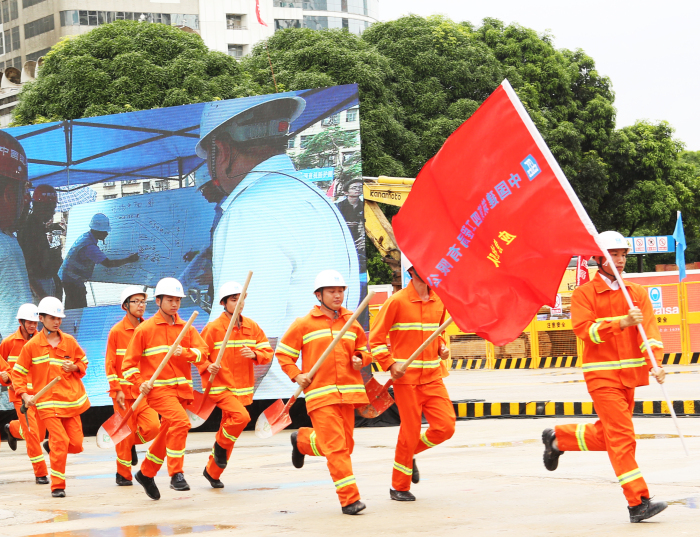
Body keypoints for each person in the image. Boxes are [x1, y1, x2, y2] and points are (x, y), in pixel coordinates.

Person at [195, 95, 360, 400]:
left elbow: (244, 340)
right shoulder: (315, 197)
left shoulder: (251, 211)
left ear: (221, 150)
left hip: (271, 402)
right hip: (321, 392)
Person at [541, 231, 668, 523]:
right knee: (623, 437)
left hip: (630, 376)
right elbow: (585, 330)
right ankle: (638, 502)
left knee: (610, 435)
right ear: (599, 258)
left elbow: (650, 333)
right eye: (614, 255)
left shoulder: (636, 293)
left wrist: (656, 364)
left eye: (623, 254)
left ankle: (558, 439)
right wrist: (620, 322)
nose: (621, 260)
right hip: (602, 377)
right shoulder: (584, 294)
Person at [275, 270, 371, 515]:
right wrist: (297, 375)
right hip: (320, 395)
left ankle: (303, 441)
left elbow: (363, 348)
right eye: (332, 291)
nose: (337, 295)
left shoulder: (351, 320)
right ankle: (350, 500)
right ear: (319, 295)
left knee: (345, 445)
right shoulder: (303, 324)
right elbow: (284, 354)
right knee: (337, 448)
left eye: (340, 291)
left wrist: (361, 358)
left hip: (348, 395)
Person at [369, 254, 455, 502]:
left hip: (433, 378)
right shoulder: (397, 302)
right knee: (409, 431)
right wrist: (390, 363)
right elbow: (375, 340)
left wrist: (442, 347)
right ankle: (399, 486)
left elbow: (436, 334)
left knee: (446, 427)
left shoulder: (439, 302)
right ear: (413, 272)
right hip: (406, 381)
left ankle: (409, 454)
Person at [121, 277, 208, 500]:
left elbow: (203, 353)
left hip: (182, 391)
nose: (175, 304)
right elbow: (127, 365)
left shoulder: (185, 327)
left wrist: (185, 353)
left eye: (178, 299)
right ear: (158, 301)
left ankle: (146, 472)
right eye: (169, 299)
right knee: (180, 422)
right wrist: (140, 382)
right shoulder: (145, 329)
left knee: (168, 431)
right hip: (158, 391)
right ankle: (176, 474)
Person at [198, 280, 273, 488]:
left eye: (241, 299)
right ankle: (220, 447)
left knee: (229, 429)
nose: (239, 303)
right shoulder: (213, 328)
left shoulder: (251, 326)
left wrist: (255, 353)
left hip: (242, 389)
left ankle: (212, 472)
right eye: (233, 299)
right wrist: (207, 366)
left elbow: (267, 352)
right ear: (224, 303)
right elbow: (199, 355)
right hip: (221, 388)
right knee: (241, 418)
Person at [13, 296, 90, 498]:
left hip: (70, 401)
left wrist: (74, 366)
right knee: (60, 441)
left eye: (59, 317)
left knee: (76, 444)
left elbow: (83, 362)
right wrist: (24, 394)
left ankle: (51, 446)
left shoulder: (70, 342)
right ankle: (58, 486)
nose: (56, 321)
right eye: (52, 317)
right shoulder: (31, 347)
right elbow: (18, 373)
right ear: (42, 318)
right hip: (47, 404)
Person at [105, 286, 160, 486]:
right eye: (136, 301)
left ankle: (129, 444)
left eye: (143, 302)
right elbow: (110, 364)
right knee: (124, 434)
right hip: (122, 394)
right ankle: (123, 474)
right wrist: (116, 388)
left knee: (153, 427)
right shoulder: (116, 332)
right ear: (125, 305)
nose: (140, 305)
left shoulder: (149, 329)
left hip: (143, 392)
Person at [0, 303, 49, 484]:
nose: (32, 326)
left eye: (35, 323)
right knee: (32, 434)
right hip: (20, 395)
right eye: (29, 322)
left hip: (39, 393)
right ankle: (41, 473)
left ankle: (12, 429)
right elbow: (2, 367)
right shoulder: (9, 343)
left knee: (41, 434)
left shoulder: (43, 340)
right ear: (21, 321)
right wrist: (4, 377)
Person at [59, 213, 139, 309]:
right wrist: (129, 260)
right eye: (105, 231)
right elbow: (108, 264)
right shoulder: (90, 247)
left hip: (68, 277)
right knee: (78, 309)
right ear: (98, 231)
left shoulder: (86, 237)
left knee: (72, 306)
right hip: (72, 279)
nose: (107, 233)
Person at [0, 130, 33, 339]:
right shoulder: (5, 247)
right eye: (24, 192)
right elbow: (18, 331)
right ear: (9, 196)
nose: (26, 200)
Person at [17, 184, 64, 300]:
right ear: (42, 207)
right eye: (52, 208)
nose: (53, 212)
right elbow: (26, 268)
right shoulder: (29, 229)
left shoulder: (38, 227)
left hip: (44, 283)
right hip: (38, 288)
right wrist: (42, 295)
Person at [335, 178, 364, 246]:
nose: (358, 189)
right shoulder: (338, 206)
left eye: (360, 187)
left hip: (359, 239)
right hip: (342, 237)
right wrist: (343, 224)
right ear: (346, 192)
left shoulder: (365, 206)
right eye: (354, 188)